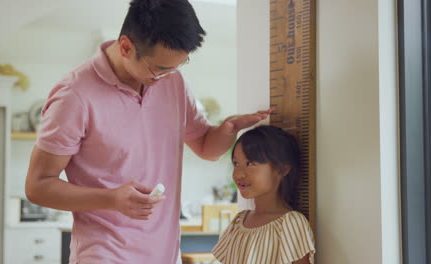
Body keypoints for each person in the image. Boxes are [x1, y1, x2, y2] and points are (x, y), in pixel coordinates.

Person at [25, 0, 272, 263]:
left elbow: (205, 147)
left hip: (165, 254)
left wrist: (226, 130)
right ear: (126, 47)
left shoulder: (173, 82)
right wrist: (111, 199)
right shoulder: (74, 96)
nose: (168, 76)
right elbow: (38, 186)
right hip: (105, 254)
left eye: (179, 65)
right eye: (160, 68)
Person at [212, 125, 315, 264]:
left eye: (249, 163)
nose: (238, 174)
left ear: (282, 169)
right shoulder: (238, 222)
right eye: (236, 163)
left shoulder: (291, 224)